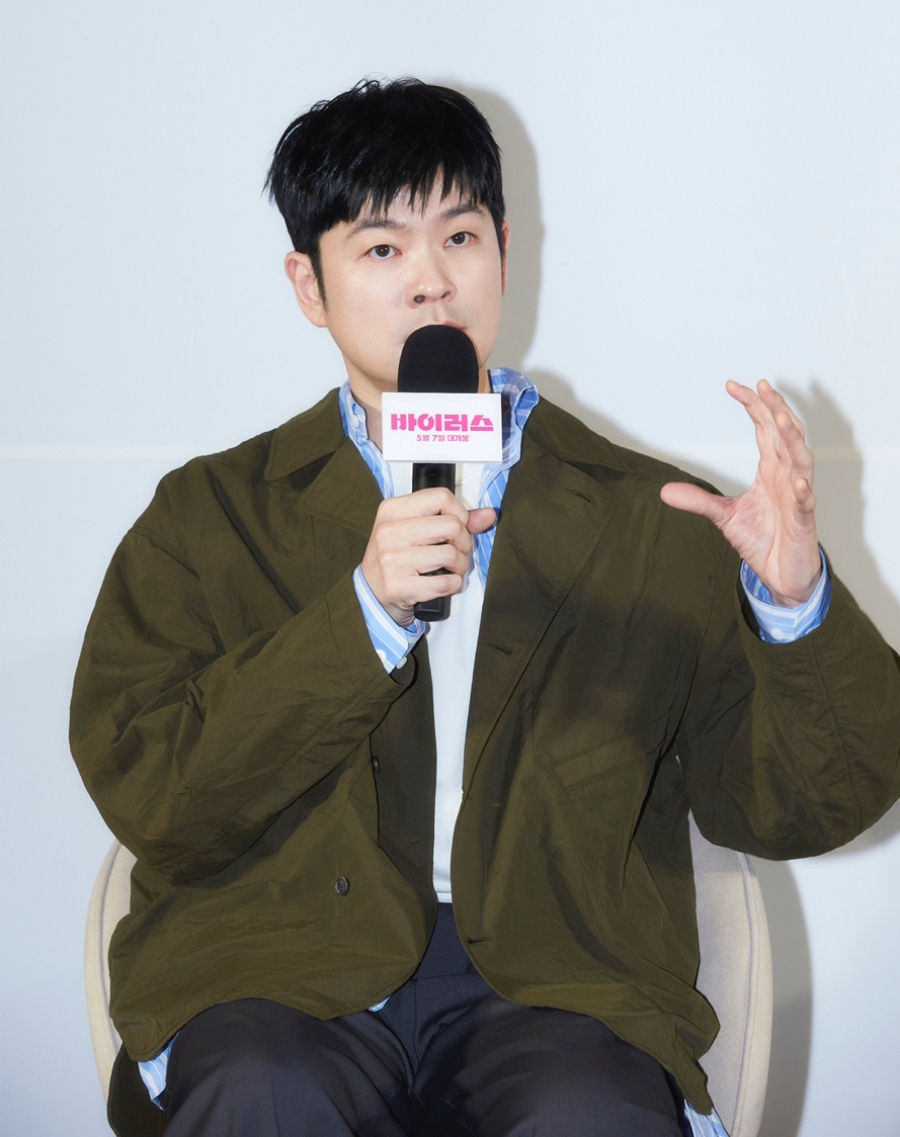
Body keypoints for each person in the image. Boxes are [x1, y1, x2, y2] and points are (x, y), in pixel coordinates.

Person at [71, 78, 900, 1137]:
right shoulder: (210, 517)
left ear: (504, 251)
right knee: (260, 1090)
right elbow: (155, 796)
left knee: (587, 1113)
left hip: (558, 984)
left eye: (459, 237)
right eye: (382, 248)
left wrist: (793, 604)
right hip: (280, 975)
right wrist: (362, 615)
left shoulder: (647, 517)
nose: (431, 280)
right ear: (308, 284)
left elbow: (796, 808)